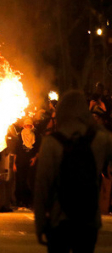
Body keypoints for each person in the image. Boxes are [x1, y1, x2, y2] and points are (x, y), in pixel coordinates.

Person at [34, 91, 112, 252]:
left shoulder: (51, 143)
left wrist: (40, 224)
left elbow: (42, 186)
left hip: (59, 219)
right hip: (89, 219)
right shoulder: (101, 139)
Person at [13, 118, 41, 208]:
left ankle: (28, 201)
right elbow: (15, 151)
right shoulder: (19, 136)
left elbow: (38, 149)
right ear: (24, 126)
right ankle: (19, 200)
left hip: (31, 162)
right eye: (26, 125)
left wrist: (35, 158)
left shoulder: (36, 136)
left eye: (29, 125)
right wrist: (14, 164)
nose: (28, 127)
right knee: (20, 181)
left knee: (30, 181)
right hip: (20, 162)